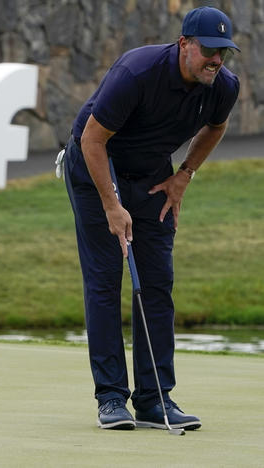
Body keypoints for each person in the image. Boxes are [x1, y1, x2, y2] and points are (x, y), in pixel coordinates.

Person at [62, 6, 240, 430]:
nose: (216, 60)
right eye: (208, 51)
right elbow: (92, 138)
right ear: (184, 45)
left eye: (224, 52)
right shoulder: (136, 73)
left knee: (157, 282)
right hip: (95, 168)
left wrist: (184, 176)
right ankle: (110, 399)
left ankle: (155, 398)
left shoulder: (222, 86)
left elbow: (216, 127)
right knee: (106, 280)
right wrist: (111, 204)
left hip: (153, 175)